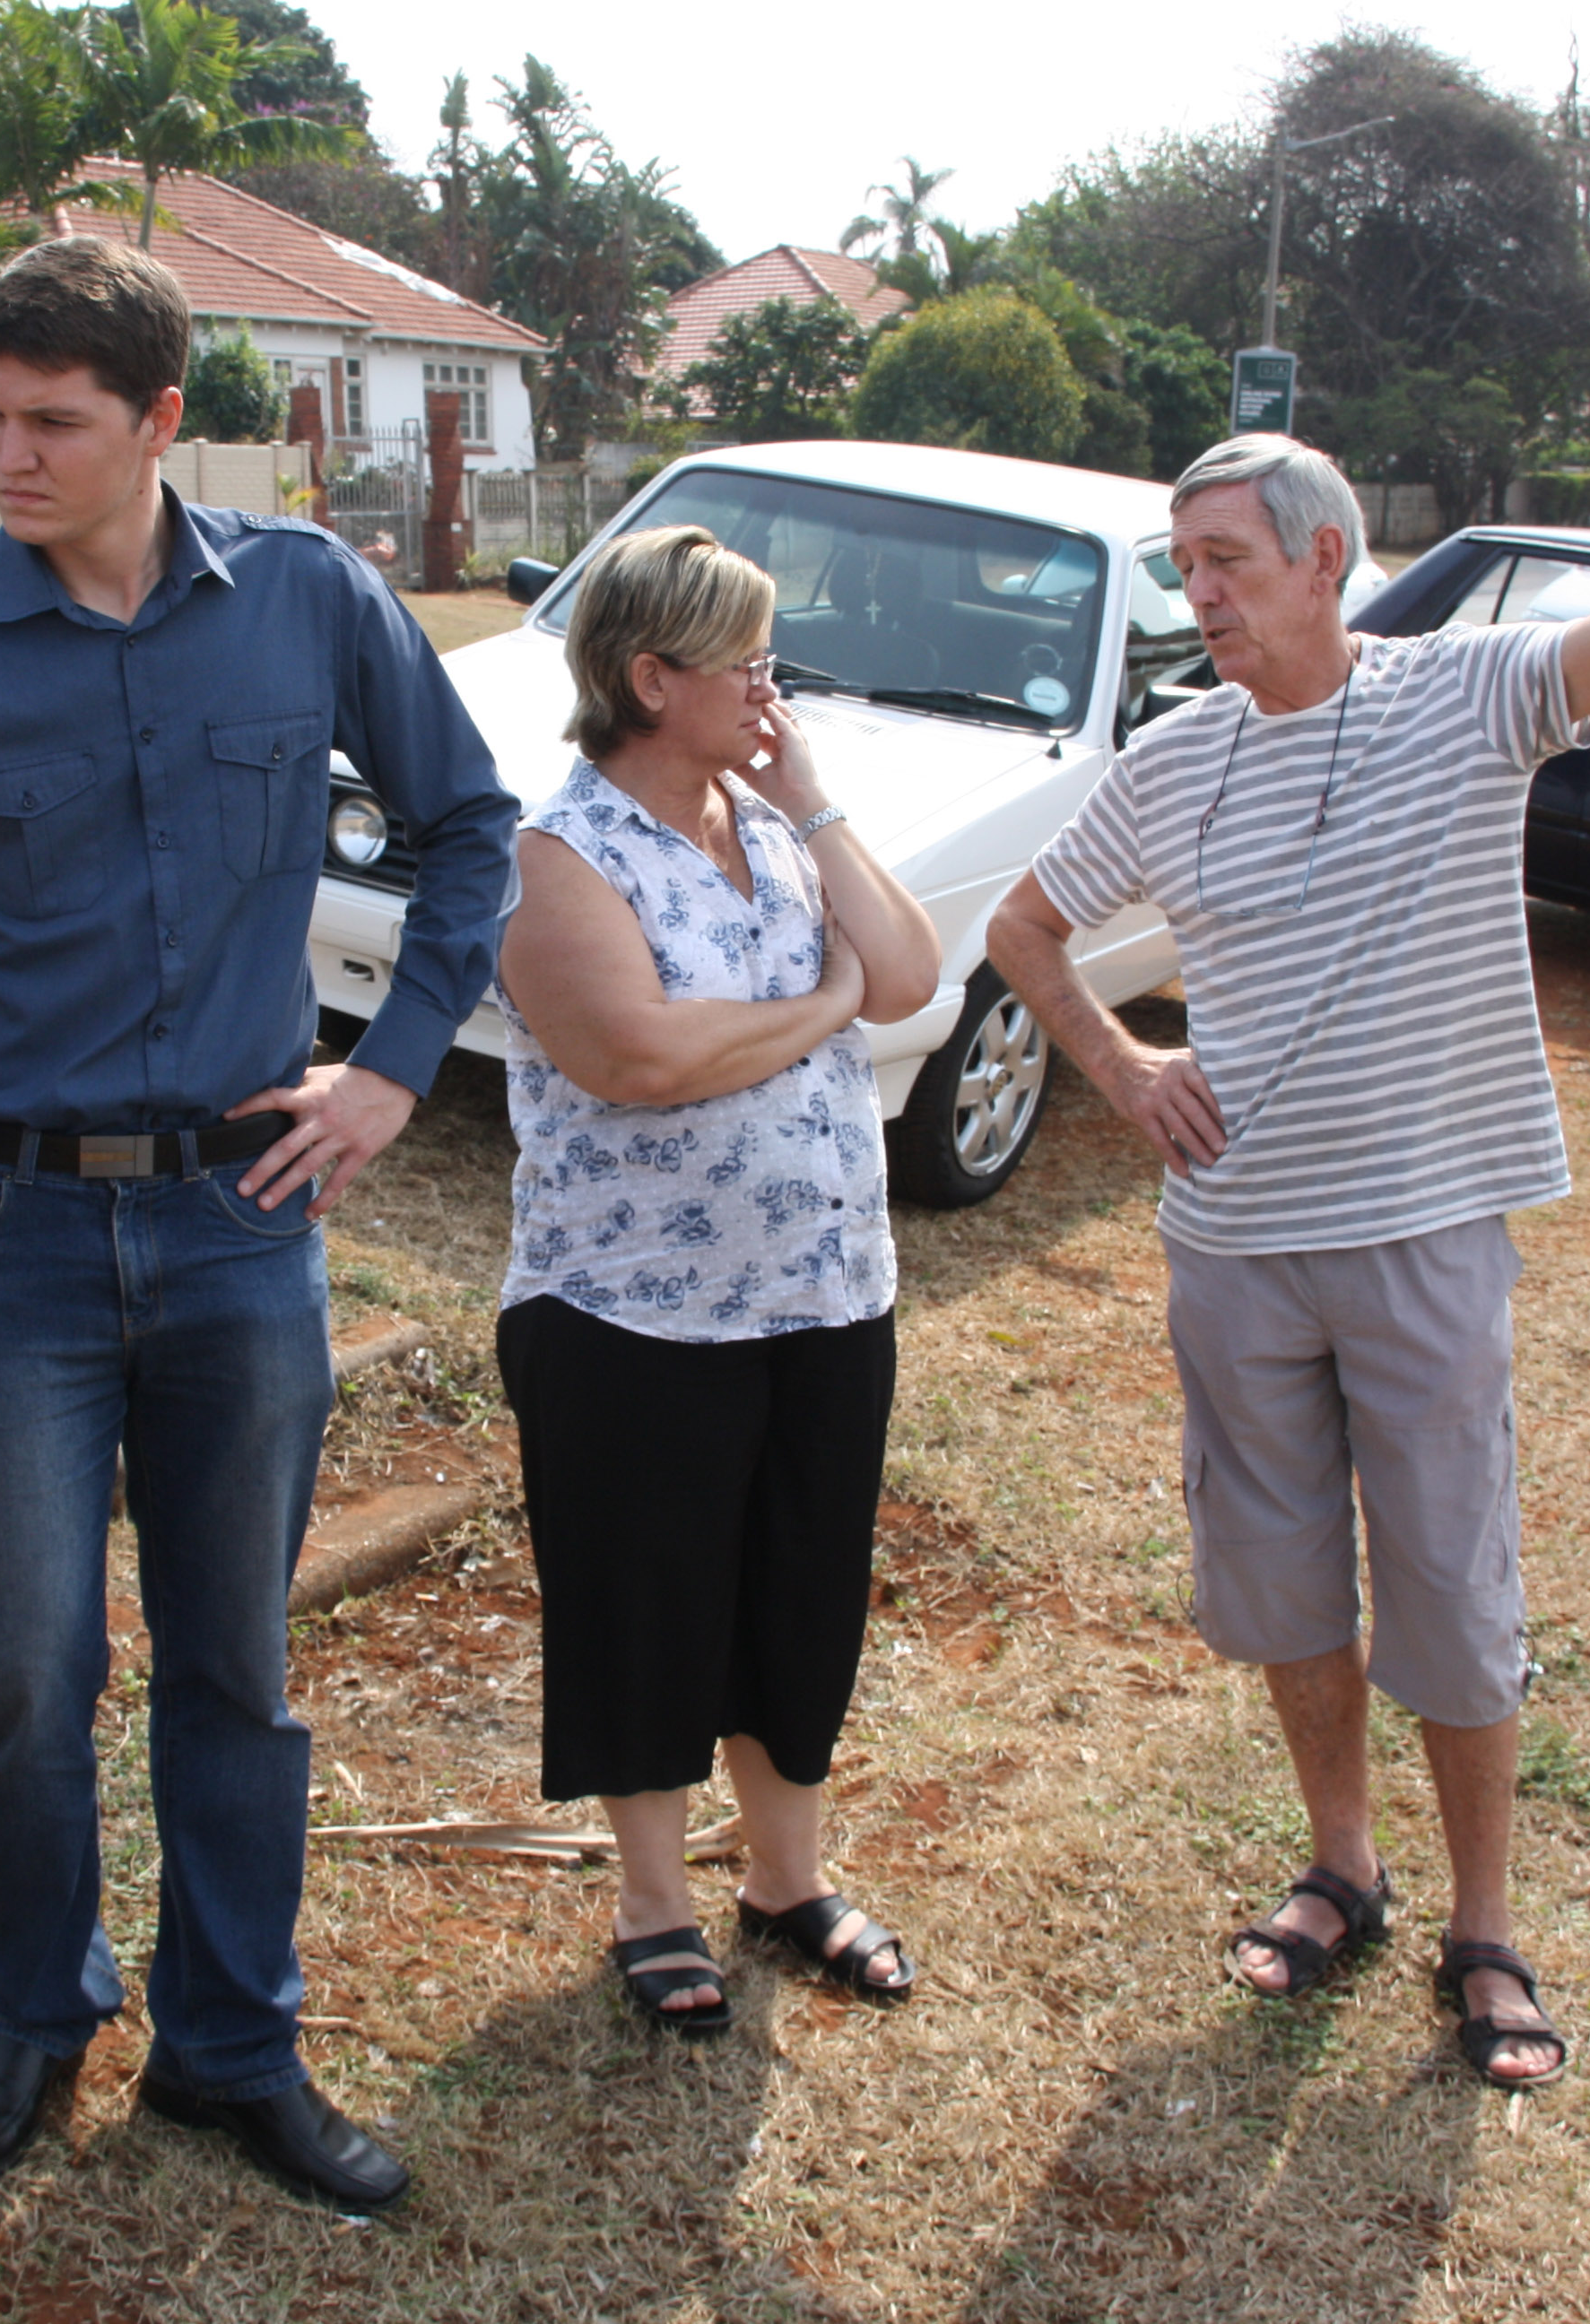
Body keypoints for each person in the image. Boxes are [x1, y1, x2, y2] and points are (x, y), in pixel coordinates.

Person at [985, 361, 1590, 2088]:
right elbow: (1022, 927)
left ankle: (1484, 1928)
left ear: (1323, 558)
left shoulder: (1468, 696)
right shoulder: (1172, 759)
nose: (1199, 596)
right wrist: (1120, 1063)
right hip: (1231, 1247)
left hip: (1421, 1236)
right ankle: (1340, 1869)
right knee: (1282, 1578)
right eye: (1185, 566)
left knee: (1451, 1586)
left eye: (1226, 562)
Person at [0, 238, 516, 2209]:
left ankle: (231, 2046)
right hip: (4, 1241)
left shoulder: (307, 598)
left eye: (52, 421)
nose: (6, 456)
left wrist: (391, 1069)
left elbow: (470, 825)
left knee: (235, 1668)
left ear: (161, 423)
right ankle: (36, 2013)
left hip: (239, 1224)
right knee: (25, 1669)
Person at [491, 525, 944, 2035]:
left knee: (797, 1595)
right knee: (648, 1603)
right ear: (647, 677)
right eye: (743, 661)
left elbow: (909, 978)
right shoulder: (557, 854)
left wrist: (813, 802)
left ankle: (783, 1881)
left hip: (827, 1292)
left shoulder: (774, 823)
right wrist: (822, 1003)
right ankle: (653, 1902)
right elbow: (637, 1056)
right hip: (630, 1313)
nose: (769, 686)